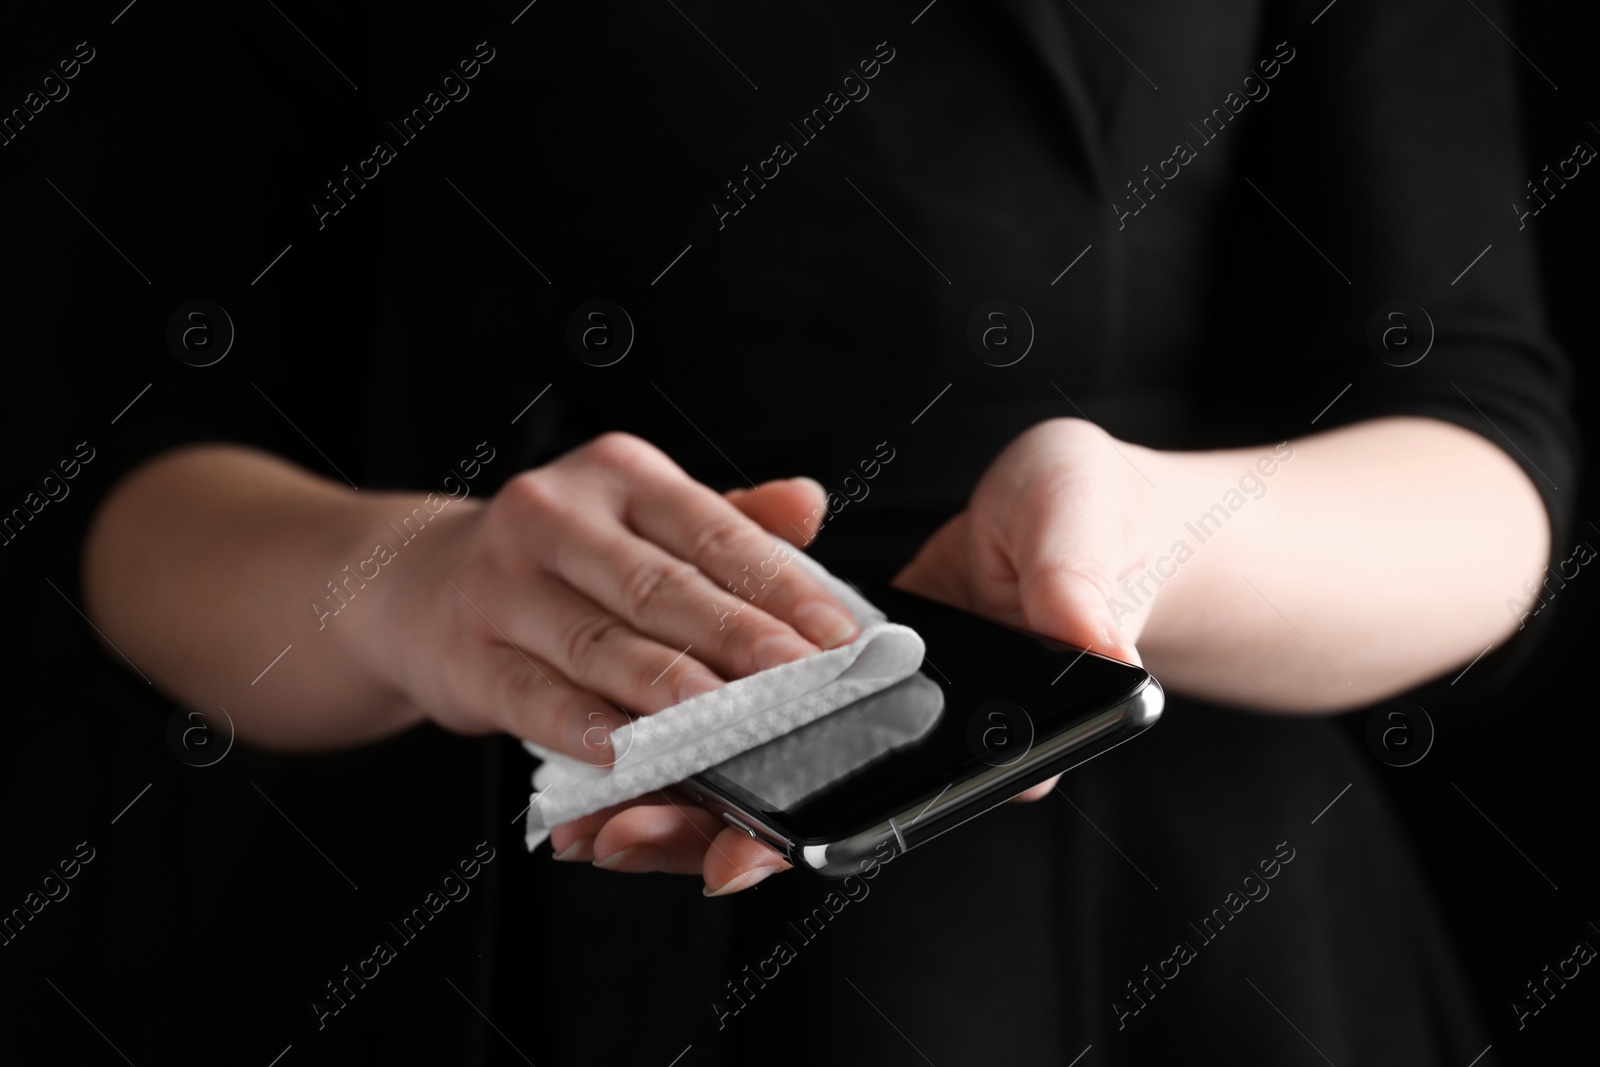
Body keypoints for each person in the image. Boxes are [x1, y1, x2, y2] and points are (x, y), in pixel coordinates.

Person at [64, 0, 1573, 1062]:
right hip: (530, 840)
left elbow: (1476, 449)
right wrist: (423, 593)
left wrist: (1134, 542)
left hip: (1165, 907)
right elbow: (146, 479)